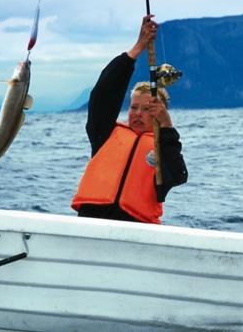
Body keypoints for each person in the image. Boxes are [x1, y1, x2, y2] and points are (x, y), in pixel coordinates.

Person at [71, 15, 188, 224]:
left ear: (159, 114)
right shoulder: (105, 133)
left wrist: (167, 126)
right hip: (91, 220)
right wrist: (136, 50)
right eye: (134, 107)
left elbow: (177, 176)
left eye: (147, 109)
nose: (137, 114)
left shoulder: (163, 144)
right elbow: (102, 94)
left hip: (136, 227)